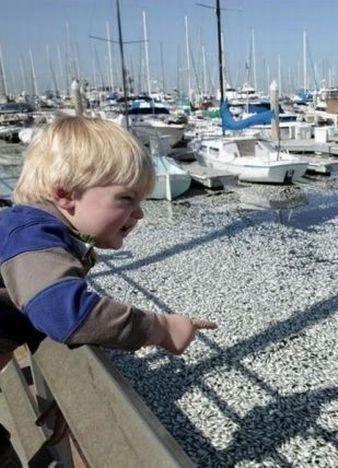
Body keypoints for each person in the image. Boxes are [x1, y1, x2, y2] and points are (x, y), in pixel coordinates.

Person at [0, 116, 217, 452]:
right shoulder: (30, 238)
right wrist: (159, 328)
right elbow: (63, 313)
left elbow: (37, 311)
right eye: (126, 199)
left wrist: (67, 390)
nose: (140, 214)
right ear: (65, 194)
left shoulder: (34, 235)